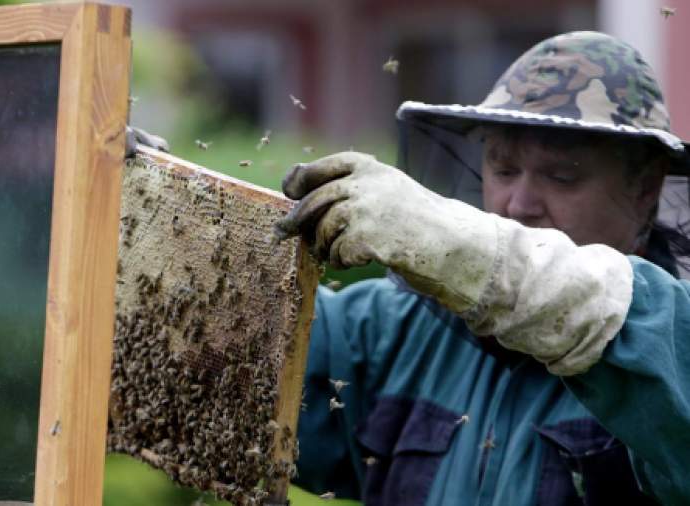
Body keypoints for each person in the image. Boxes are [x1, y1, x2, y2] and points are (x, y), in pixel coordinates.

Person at [276, 31, 690, 505]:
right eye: (503, 168)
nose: (518, 204)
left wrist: (466, 250)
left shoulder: (671, 355)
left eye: (562, 176)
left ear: (644, 189)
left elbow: (624, 321)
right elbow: (266, 351)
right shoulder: (395, 333)